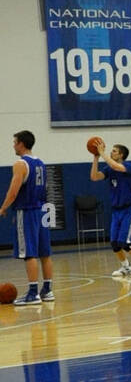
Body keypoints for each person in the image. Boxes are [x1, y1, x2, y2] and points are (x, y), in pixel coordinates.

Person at [0, 130, 53, 305]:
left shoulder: (20, 164)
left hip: (27, 210)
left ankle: (32, 293)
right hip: (41, 210)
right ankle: (47, 290)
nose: (13, 145)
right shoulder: (41, 162)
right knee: (45, 253)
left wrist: (3, 207)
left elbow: (13, 192)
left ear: (21, 143)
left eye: (15, 142)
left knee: (29, 253)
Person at [89, 140, 131, 278]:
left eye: (114, 151)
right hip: (117, 210)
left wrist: (102, 153)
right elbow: (94, 177)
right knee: (115, 243)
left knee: (125, 242)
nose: (111, 152)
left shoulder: (128, 166)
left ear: (121, 155)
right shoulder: (109, 169)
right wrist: (96, 157)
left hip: (130, 208)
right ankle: (126, 267)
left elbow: (115, 166)